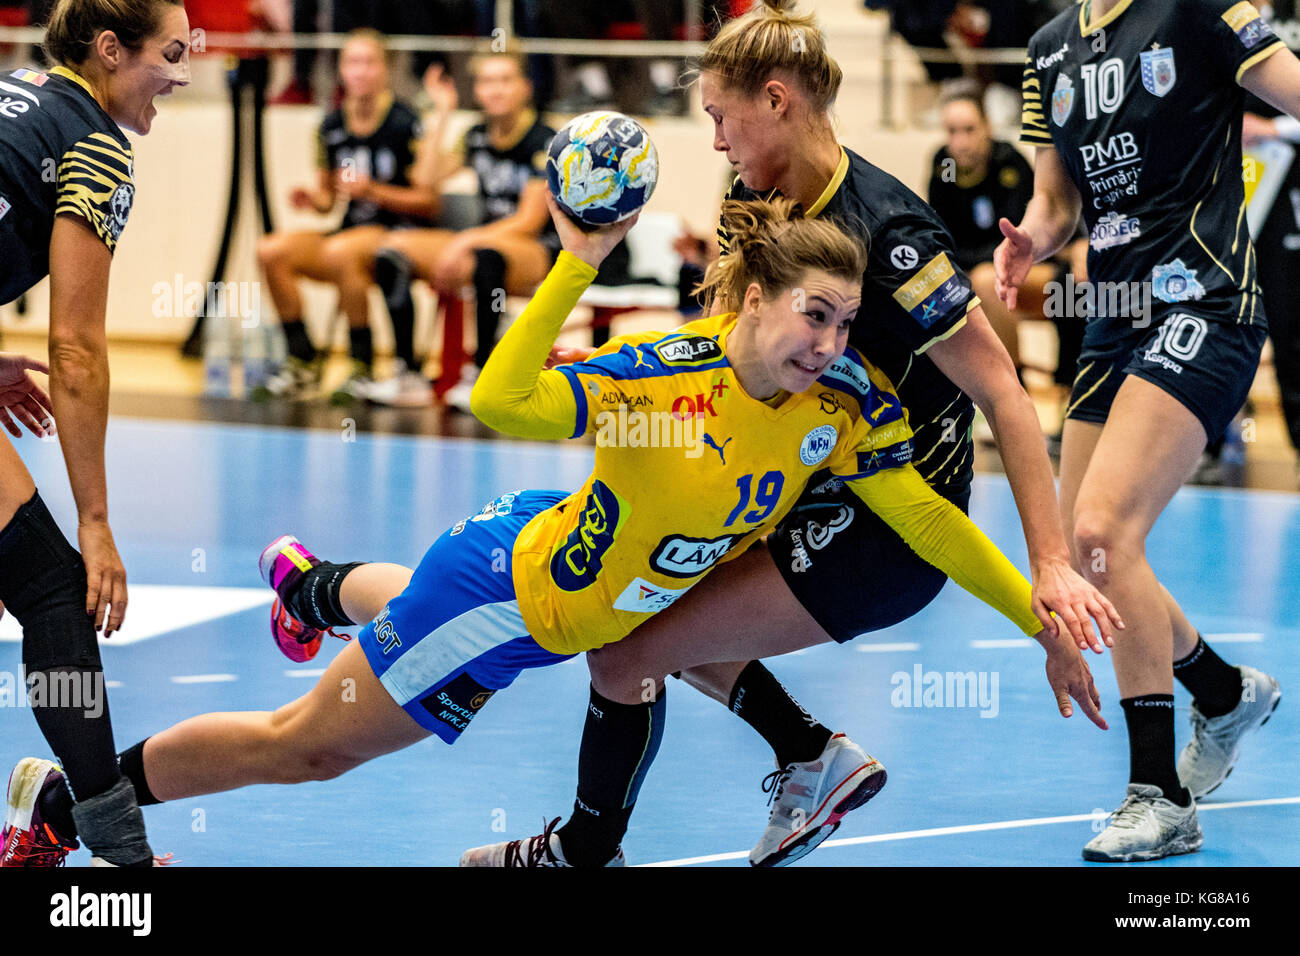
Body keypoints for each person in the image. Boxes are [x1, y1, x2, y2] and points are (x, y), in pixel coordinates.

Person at [4, 195, 1104, 867]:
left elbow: (921, 515)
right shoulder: (660, 381)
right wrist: (575, 257)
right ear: (752, 300)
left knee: (637, 638)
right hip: (501, 601)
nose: (829, 340)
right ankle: (61, 799)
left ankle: (314, 585)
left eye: (846, 320)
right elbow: (503, 401)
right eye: (811, 313)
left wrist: (1040, 611)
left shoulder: (842, 404)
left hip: (574, 573)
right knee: (308, 748)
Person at [474, 0, 1121, 868]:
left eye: (718, 117)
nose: (713, 142)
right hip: (798, 472)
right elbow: (721, 345)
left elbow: (1004, 392)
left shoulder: (890, 236)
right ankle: (804, 758)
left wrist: (1046, 573)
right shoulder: (753, 195)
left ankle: (602, 845)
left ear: (775, 99)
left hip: (887, 518)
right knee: (633, 604)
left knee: (628, 643)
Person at [1001, 0, 1296, 861]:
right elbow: (1055, 197)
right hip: (1115, 312)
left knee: (1103, 532)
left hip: (1205, 301)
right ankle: (1223, 690)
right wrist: (1036, 241)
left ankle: (1159, 797)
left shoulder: (1197, 9)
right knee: (1079, 554)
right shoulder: (1049, 48)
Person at [0, 0, 192, 869]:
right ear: (110, 50)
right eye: (171, 53)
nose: (183, 74)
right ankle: (122, 853)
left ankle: (88, 834)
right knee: (52, 587)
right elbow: (75, 347)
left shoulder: (19, 91)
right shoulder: (96, 146)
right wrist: (99, 520)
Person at [365, 49, 561, 410]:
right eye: (486, 81)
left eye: (505, 80)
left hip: (536, 248)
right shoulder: (475, 135)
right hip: (484, 240)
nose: (495, 90)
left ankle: (483, 371)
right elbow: (422, 180)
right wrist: (442, 113)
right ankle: (408, 373)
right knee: (391, 249)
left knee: (486, 257)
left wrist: (464, 241)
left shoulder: (544, 140)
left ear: (525, 88)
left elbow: (528, 222)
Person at [256, 29, 439, 403]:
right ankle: (302, 359)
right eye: (352, 62)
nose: (361, 72)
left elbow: (428, 201)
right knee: (271, 250)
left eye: (369, 62)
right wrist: (314, 199)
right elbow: (328, 199)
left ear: (385, 70)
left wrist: (372, 191)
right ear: (341, 70)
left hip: (395, 232)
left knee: (343, 253)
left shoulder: (407, 123)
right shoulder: (331, 126)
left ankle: (361, 364)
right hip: (348, 230)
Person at [928, 86, 1086, 390]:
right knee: (974, 282)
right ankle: (999, 387)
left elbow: (1030, 233)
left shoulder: (1009, 163)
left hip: (1030, 268)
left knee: (1064, 286)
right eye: (952, 131)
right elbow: (940, 238)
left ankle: (1043, 384)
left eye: (969, 130)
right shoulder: (943, 167)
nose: (960, 142)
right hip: (975, 274)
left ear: (988, 126)